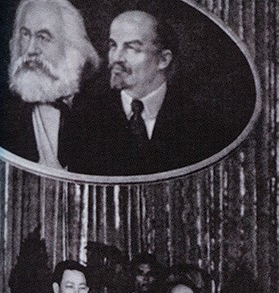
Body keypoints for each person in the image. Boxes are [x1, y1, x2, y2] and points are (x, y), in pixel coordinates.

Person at [73, 10, 219, 176]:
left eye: (132, 48)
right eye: (113, 45)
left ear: (163, 60)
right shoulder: (85, 117)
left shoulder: (199, 123)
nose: (116, 57)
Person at [0, 0, 99, 169]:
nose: (30, 50)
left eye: (43, 37)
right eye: (25, 35)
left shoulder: (100, 115)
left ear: (72, 49)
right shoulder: (5, 113)